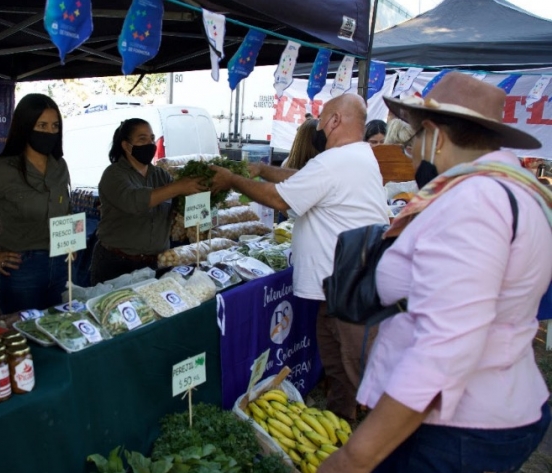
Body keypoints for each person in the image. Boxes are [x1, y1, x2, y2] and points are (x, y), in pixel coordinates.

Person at [318, 72, 552, 473]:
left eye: (410, 140)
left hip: (455, 428)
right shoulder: (518, 189)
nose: (409, 152)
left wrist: (356, 456)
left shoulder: (474, 201)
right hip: (483, 411)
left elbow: (445, 346)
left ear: (434, 135)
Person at [210, 94, 389, 422]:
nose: (318, 126)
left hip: (349, 290)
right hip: (342, 288)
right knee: (339, 370)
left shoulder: (337, 160)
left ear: (334, 121)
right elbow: (302, 180)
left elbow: (279, 200)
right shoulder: (355, 157)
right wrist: (263, 169)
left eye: (321, 119)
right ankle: (344, 429)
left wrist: (232, 179)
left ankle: (366, 444)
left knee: (355, 373)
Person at [0, 93, 70, 315]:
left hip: (60, 266)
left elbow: (66, 212)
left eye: (55, 126)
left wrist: (71, 243)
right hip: (21, 270)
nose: (50, 132)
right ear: (26, 127)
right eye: (42, 125)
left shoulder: (60, 167)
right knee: (23, 341)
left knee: (60, 333)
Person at [89, 118, 205, 285]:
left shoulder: (161, 175)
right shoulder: (114, 175)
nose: (150, 143)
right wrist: (178, 187)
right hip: (117, 264)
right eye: (142, 139)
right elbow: (134, 202)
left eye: (152, 138)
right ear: (126, 146)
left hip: (156, 263)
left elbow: (178, 206)